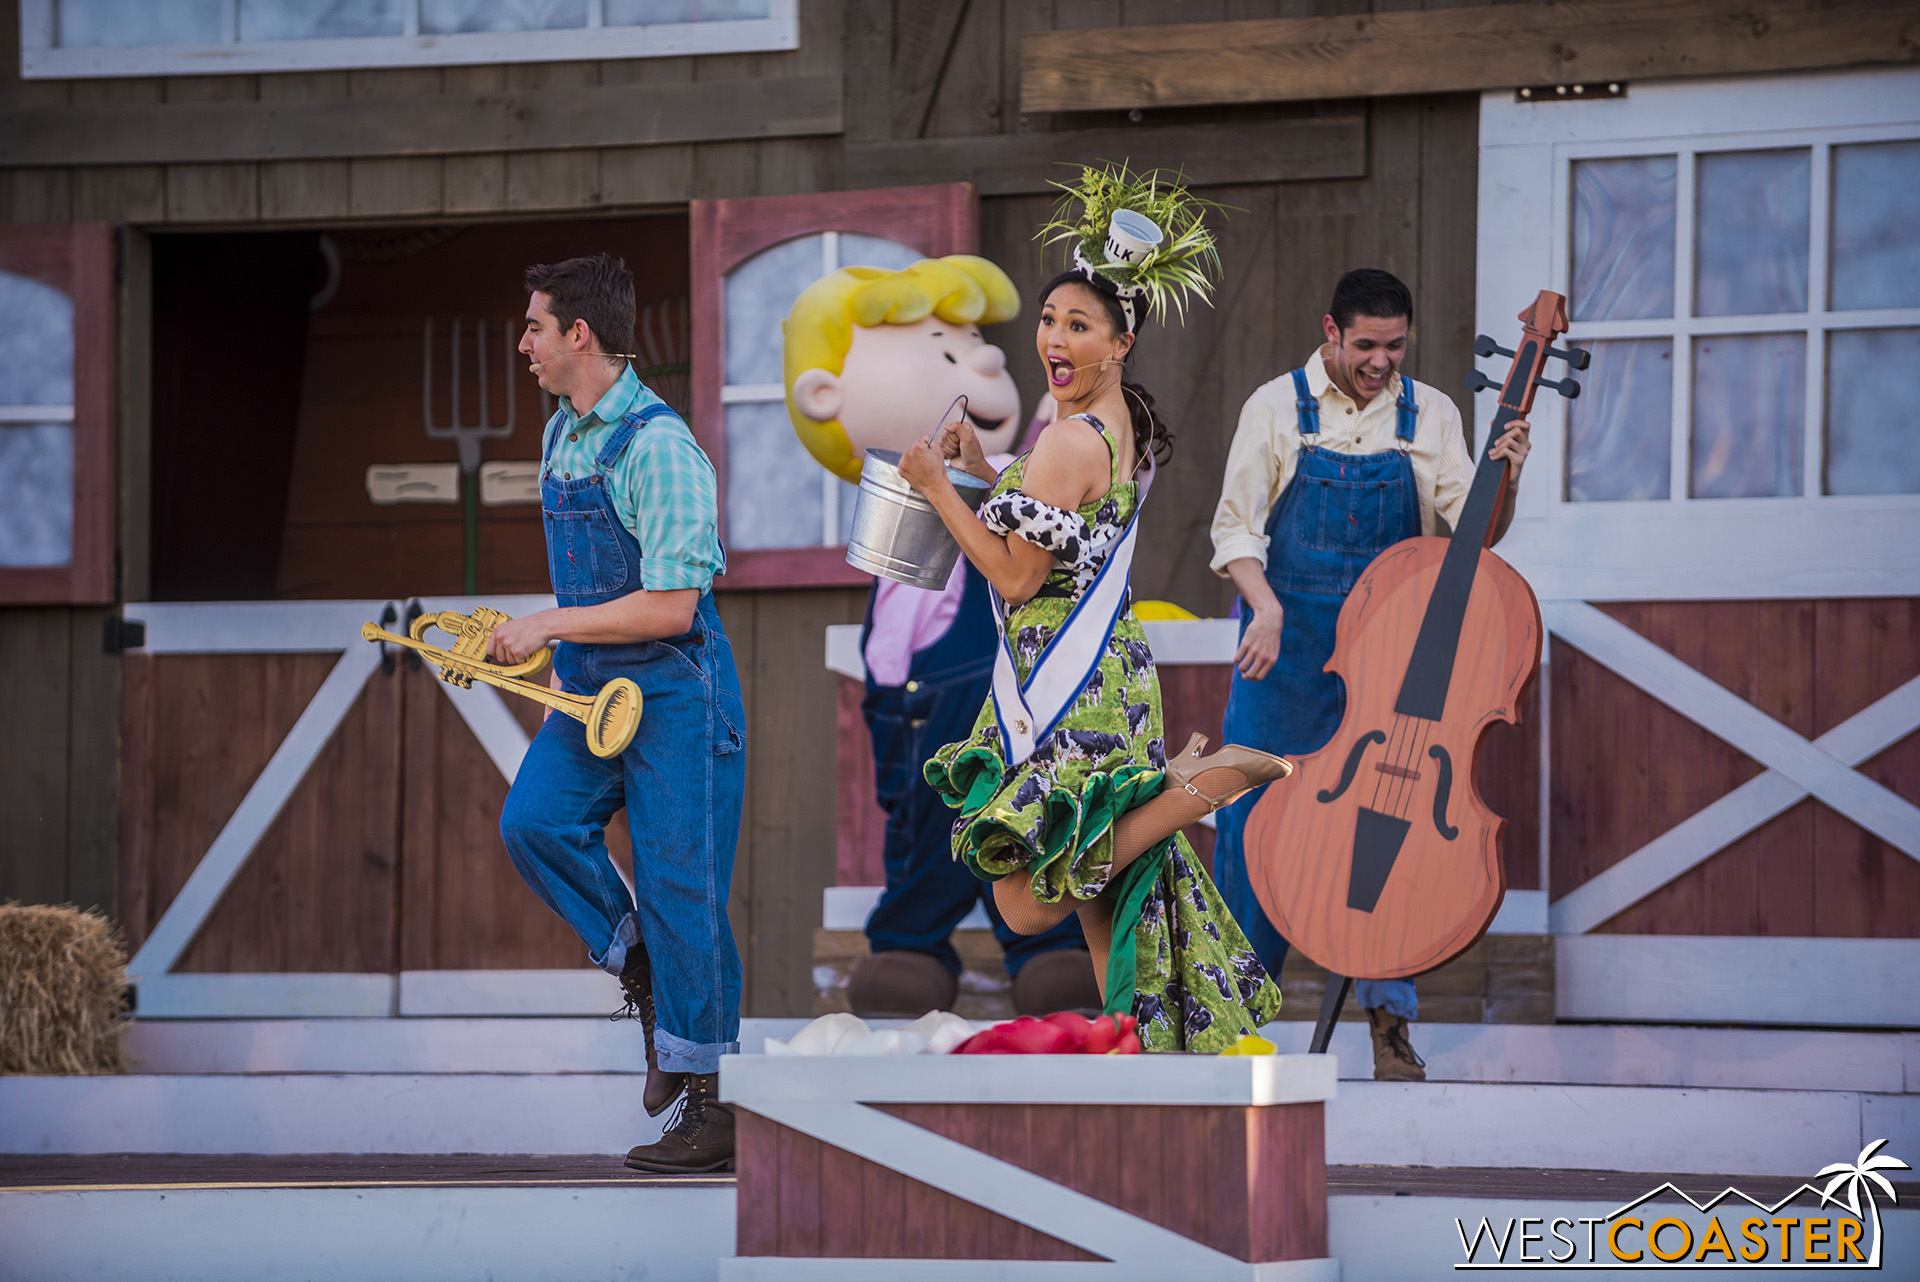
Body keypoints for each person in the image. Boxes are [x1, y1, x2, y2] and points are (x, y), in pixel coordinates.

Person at [899, 167, 1291, 1051]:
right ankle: (1135, 1045)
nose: (1055, 338)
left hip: (1064, 691)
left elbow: (1014, 578)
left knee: (1023, 899)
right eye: (1048, 321)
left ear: (1121, 342)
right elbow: (1064, 531)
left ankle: (1206, 782)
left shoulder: (1067, 438)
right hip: (1111, 674)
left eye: (1079, 325)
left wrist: (935, 486)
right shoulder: (1121, 427)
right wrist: (985, 472)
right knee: (1112, 905)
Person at [1208, 267, 1532, 1080]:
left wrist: (1508, 474)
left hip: (1389, 667)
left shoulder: (1435, 415)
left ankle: (1389, 1022)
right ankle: (1233, 1015)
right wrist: (1267, 607)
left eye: (1394, 346)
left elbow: (1475, 539)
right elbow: (1235, 529)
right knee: (1252, 821)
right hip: (1284, 650)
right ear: (1330, 331)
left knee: (1387, 827)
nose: (1381, 362)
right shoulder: (1276, 407)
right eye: (1364, 346)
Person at [782, 258, 1098, 1017]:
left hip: (982, 696)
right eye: (949, 352)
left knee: (1005, 821)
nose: (984, 360)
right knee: (922, 832)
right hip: (902, 706)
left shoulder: (1031, 459)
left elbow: (1043, 474)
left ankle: (1038, 950)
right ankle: (910, 946)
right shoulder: (886, 504)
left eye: (974, 344)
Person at [491, 252, 744, 1172]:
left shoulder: (658, 447)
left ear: (578, 335)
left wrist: (548, 623)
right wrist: (528, 649)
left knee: (683, 887)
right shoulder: (564, 433)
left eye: (534, 327)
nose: (524, 343)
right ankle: (640, 967)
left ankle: (714, 1109)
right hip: (595, 686)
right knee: (535, 823)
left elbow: (673, 604)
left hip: (677, 686)